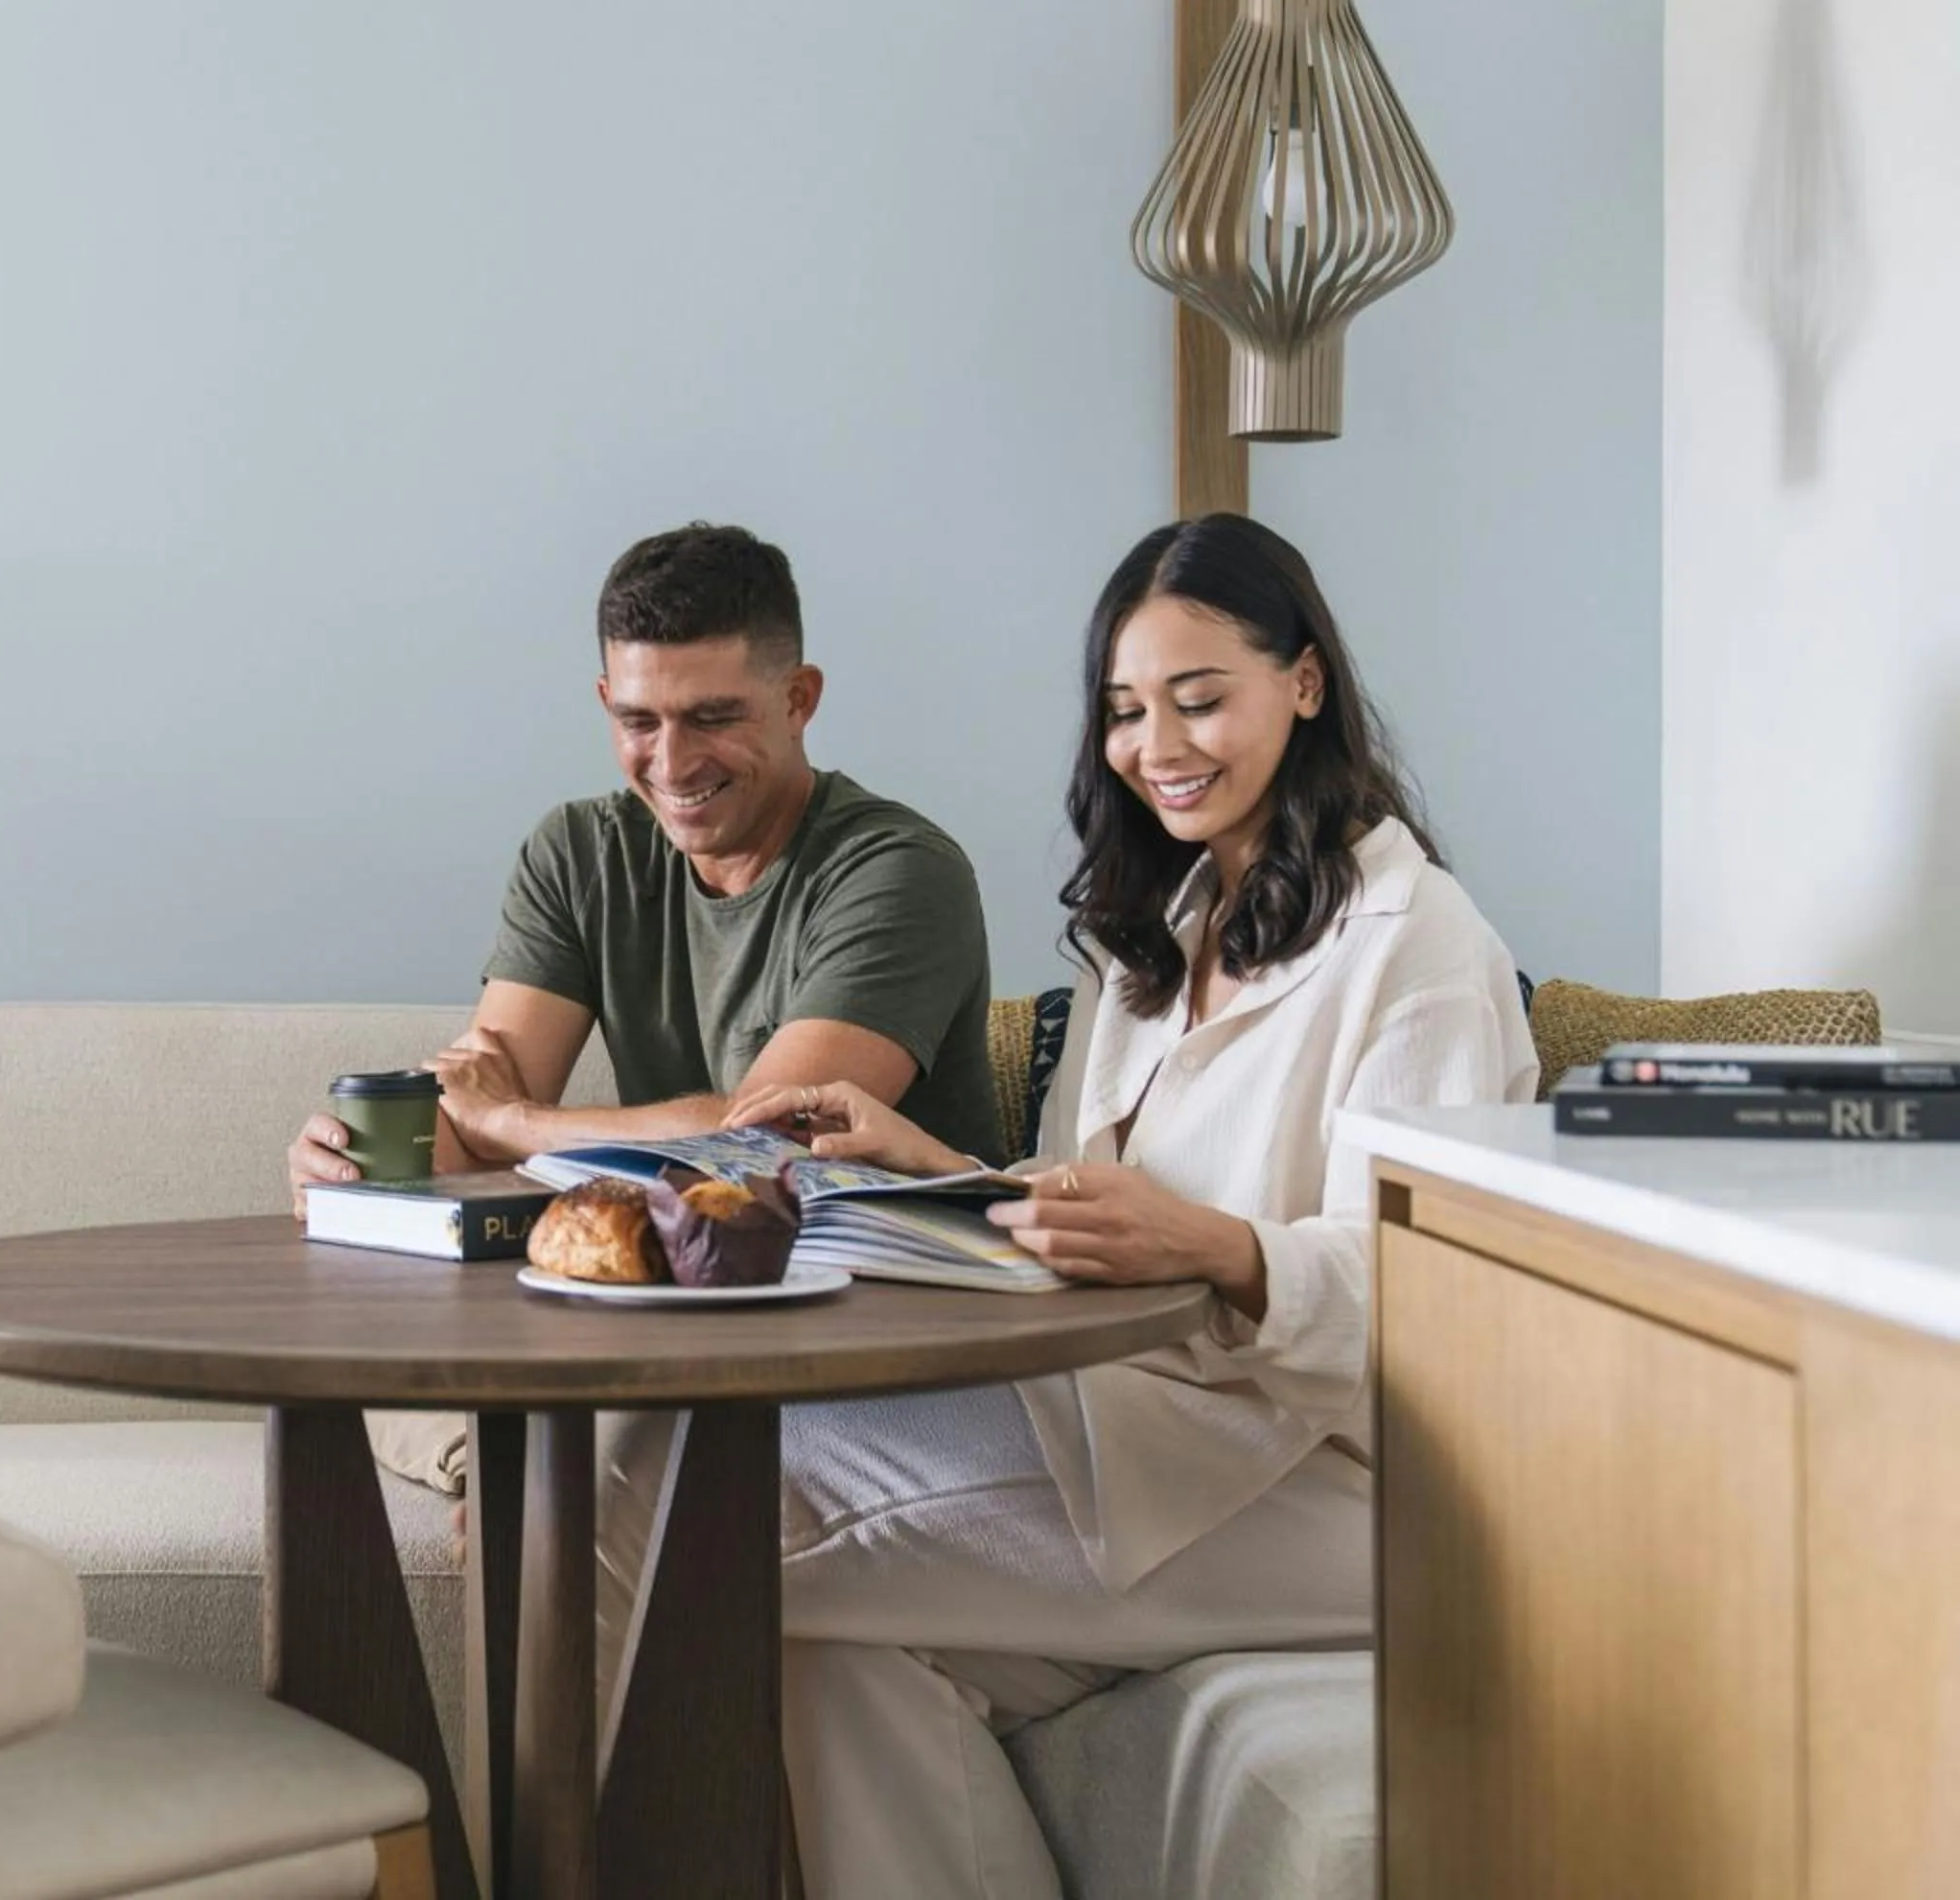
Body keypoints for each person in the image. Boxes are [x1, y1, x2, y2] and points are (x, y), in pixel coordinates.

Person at [613, 512, 1538, 1897]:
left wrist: (1224, 1253)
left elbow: (1440, 1306)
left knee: (676, 1517)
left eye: (1199, 697)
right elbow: (1098, 1217)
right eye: (1124, 709)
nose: (1156, 743)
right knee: (824, 1650)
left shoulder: (1420, 951)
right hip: (1145, 1431)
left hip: (1336, 1494)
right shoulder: (1159, 942)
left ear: (1305, 683)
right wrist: (927, 1164)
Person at [288, 521, 1002, 1207]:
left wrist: (516, 1126)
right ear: (605, 701)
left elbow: (774, 1144)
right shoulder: (577, 854)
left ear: (798, 700)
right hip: (661, 1287)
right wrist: (360, 1163)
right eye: (638, 721)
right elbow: (470, 1112)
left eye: (713, 718)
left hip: (886, 1292)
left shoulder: (899, 872)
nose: (672, 762)